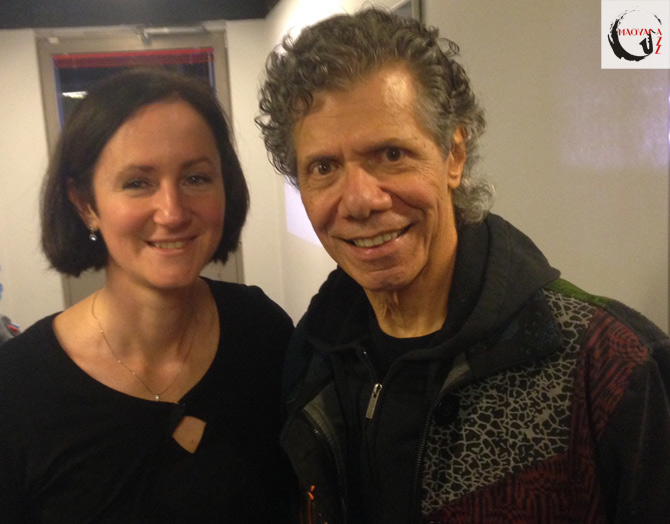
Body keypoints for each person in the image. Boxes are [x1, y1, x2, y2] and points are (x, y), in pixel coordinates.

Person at [256, 8, 670, 524]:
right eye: (324, 167)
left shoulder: (609, 364)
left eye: (391, 154)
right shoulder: (311, 358)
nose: (359, 200)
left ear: (453, 155)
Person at [0, 68, 295, 523]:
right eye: (138, 182)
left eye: (196, 178)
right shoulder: (17, 387)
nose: (172, 212)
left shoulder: (263, 332)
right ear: (85, 204)